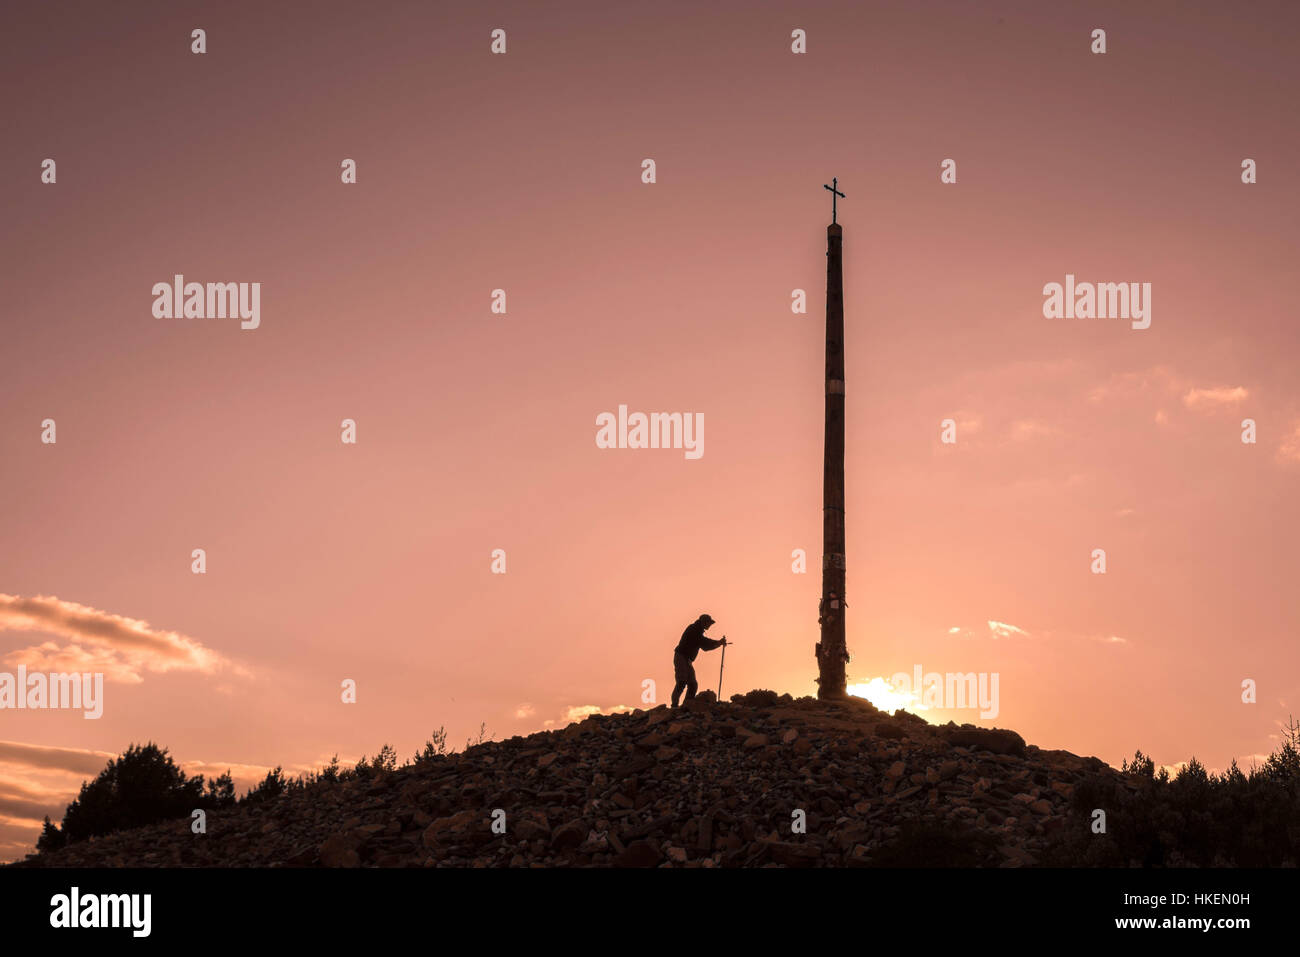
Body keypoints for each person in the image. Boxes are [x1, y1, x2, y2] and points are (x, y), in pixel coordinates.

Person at [672, 614, 726, 707]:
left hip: (687, 659)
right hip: (681, 657)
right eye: (709, 623)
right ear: (704, 622)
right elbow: (704, 643)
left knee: (693, 684)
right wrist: (718, 643)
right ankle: (674, 706)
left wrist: (718, 643)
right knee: (681, 681)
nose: (710, 625)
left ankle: (687, 705)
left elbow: (704, 645)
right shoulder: (694, 630)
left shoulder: (698, 631)